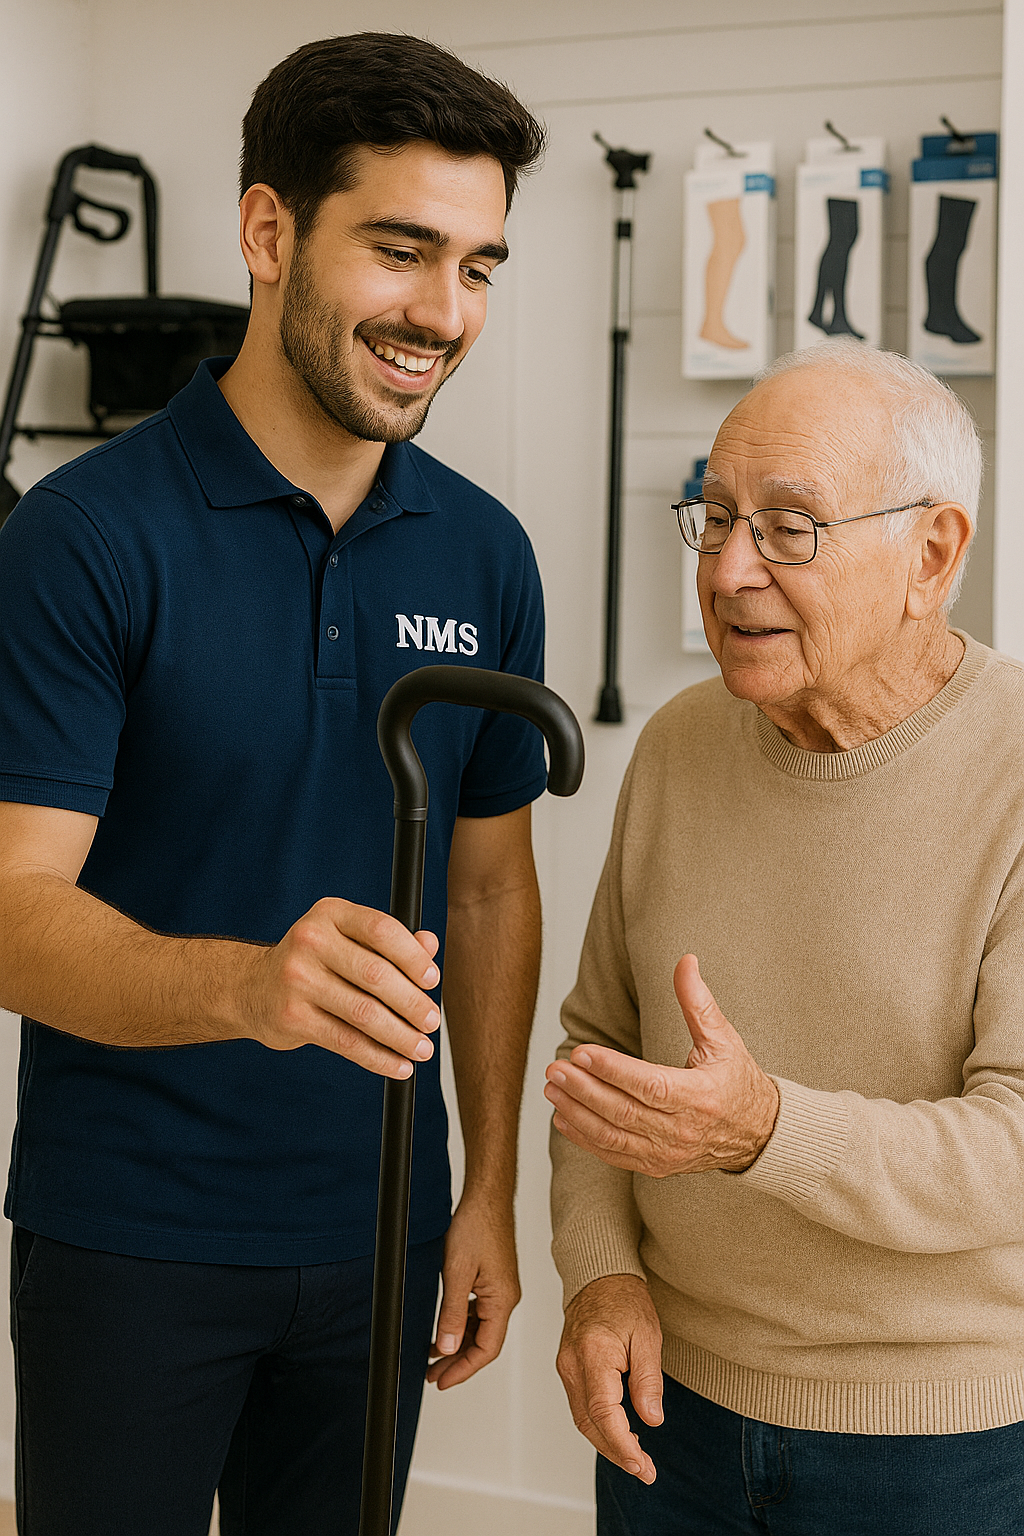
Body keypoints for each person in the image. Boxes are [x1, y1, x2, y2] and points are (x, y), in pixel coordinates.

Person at [0, 33, 547, 1536]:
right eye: (402, 250)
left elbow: (491, 884)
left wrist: (485, 1186)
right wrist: (253, 987)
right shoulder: (84, 539)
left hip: (381, 1233)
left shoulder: (485, 554)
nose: (445, 313)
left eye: (482, 265)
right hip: (132, 1240)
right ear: (267, 233)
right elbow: (10, 910)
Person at [547, 341, 1024, 1535]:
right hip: (672, 1416)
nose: (729, 568)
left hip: (943, 1452)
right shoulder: (675, 745)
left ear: (932, 554)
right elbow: (600, 1046)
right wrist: (600, 1275)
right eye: (712, 517)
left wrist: (764, 1130)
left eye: (790, 526)